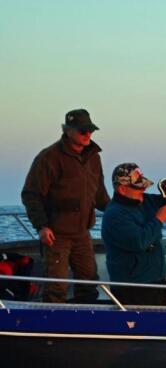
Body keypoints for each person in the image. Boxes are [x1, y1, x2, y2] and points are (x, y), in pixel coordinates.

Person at [22, 109, 109, 303]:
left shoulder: (94, 157)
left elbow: (100, 195)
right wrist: (42, 226)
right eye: (83, 131)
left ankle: (87, 324)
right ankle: (52, 328)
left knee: (89, 281)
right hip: (56, 235)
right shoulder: (48, 158)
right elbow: (31, 194)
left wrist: (119, 211)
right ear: (67, 130)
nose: (88, 135)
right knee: (56, 286)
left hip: (82, 234)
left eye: (90, 130)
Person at [101, 163, 166, 306]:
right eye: (138, 187)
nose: (144, 188)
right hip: (132, 287)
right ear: (122, 189)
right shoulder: (115, 215)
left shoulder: (146, 201)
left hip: (156, 281)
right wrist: (158, 219)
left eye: (143, 185)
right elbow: (139, 242)